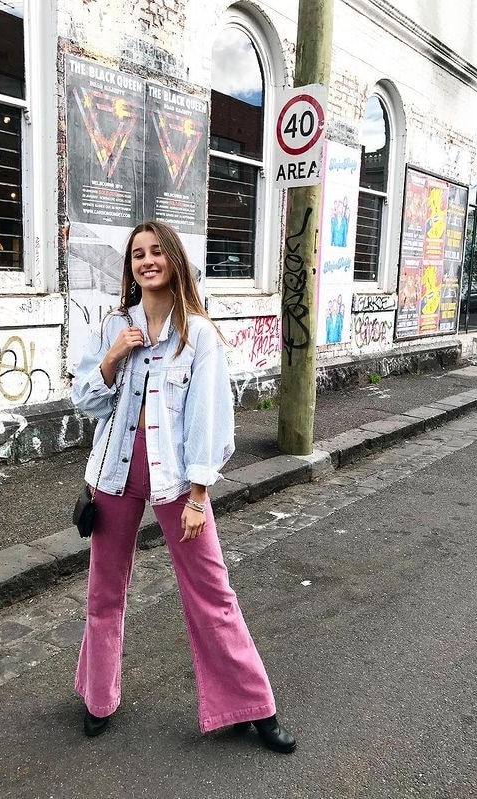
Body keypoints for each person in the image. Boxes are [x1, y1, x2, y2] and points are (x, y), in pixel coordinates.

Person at [71, 220, 296, 753]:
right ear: (131, 268)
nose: (146, 261)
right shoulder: (113, 328)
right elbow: (87, 403)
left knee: (212, 592)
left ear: (172, 259)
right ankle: (97, 697)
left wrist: (199, 495)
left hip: (176, 481)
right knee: (104, 590)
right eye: (137, 254)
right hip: (114, 474)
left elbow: (209, 420)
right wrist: (112, 358)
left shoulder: (197, 334)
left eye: (155, 252)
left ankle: (252, 706)